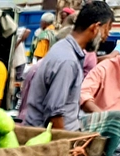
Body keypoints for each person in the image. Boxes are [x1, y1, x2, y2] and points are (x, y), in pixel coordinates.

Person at [20, 2, 113, 132]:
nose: (106, 36)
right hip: (52, 137)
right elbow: (55, 113)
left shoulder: (63, 48)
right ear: (96, 27)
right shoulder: (67, 60)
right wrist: (64, 144)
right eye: (107, 29)